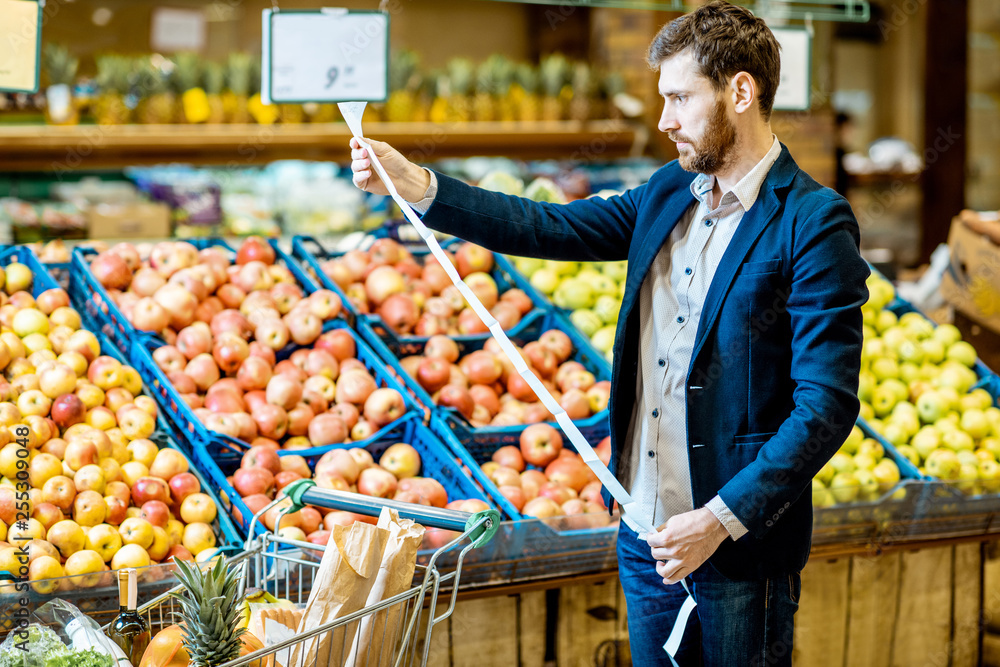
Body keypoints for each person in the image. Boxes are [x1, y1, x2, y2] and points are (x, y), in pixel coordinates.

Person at [350, 1, 869, 664]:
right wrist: (420, 185)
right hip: (643, 534)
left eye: (680, 98)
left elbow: (825, 405)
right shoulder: (668, 191)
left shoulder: (813, 223)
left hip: (738, 551)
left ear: (741, 91)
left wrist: (717, 519)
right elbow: (551, 227)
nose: (665, 120)